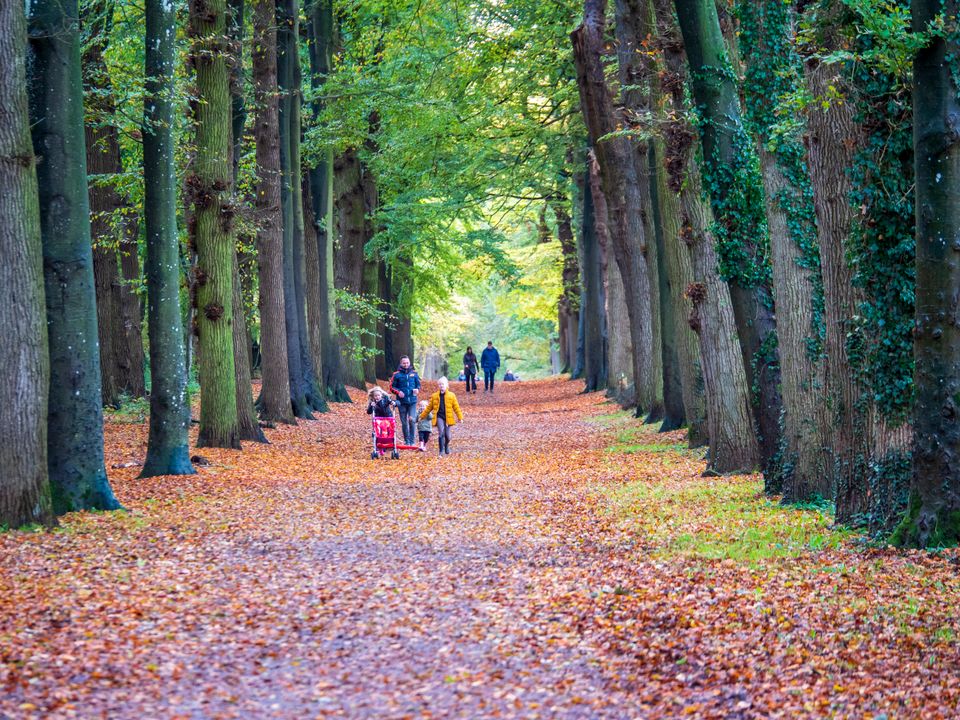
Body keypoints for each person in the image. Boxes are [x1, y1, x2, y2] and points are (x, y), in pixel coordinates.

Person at [418, 376, 463, 456]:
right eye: (439, 384)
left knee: (448, 436)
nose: (441, 386)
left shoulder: (451, 395)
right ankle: (441, 451)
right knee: (441, 433)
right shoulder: (435, 396)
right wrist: (422, 416)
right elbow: (429, 408)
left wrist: (460, 417)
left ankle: (446, 445)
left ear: (446, 385)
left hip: (448, 417)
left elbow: (456, 407)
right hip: (439, 417)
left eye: (442, 384)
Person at [390, 355, 421, 446]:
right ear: (401, 363)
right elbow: (391, 387)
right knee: (404, 422)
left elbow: (418, 385)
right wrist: (398, 392)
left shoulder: (414, 373)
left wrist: (417, 389)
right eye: (404, 363)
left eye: (407, 363)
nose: (406, 364)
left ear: (409, 363)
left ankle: (412, 441)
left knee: (412, 420)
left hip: (412, 401)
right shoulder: (396, 375)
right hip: (401, 402)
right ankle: (406, 440)